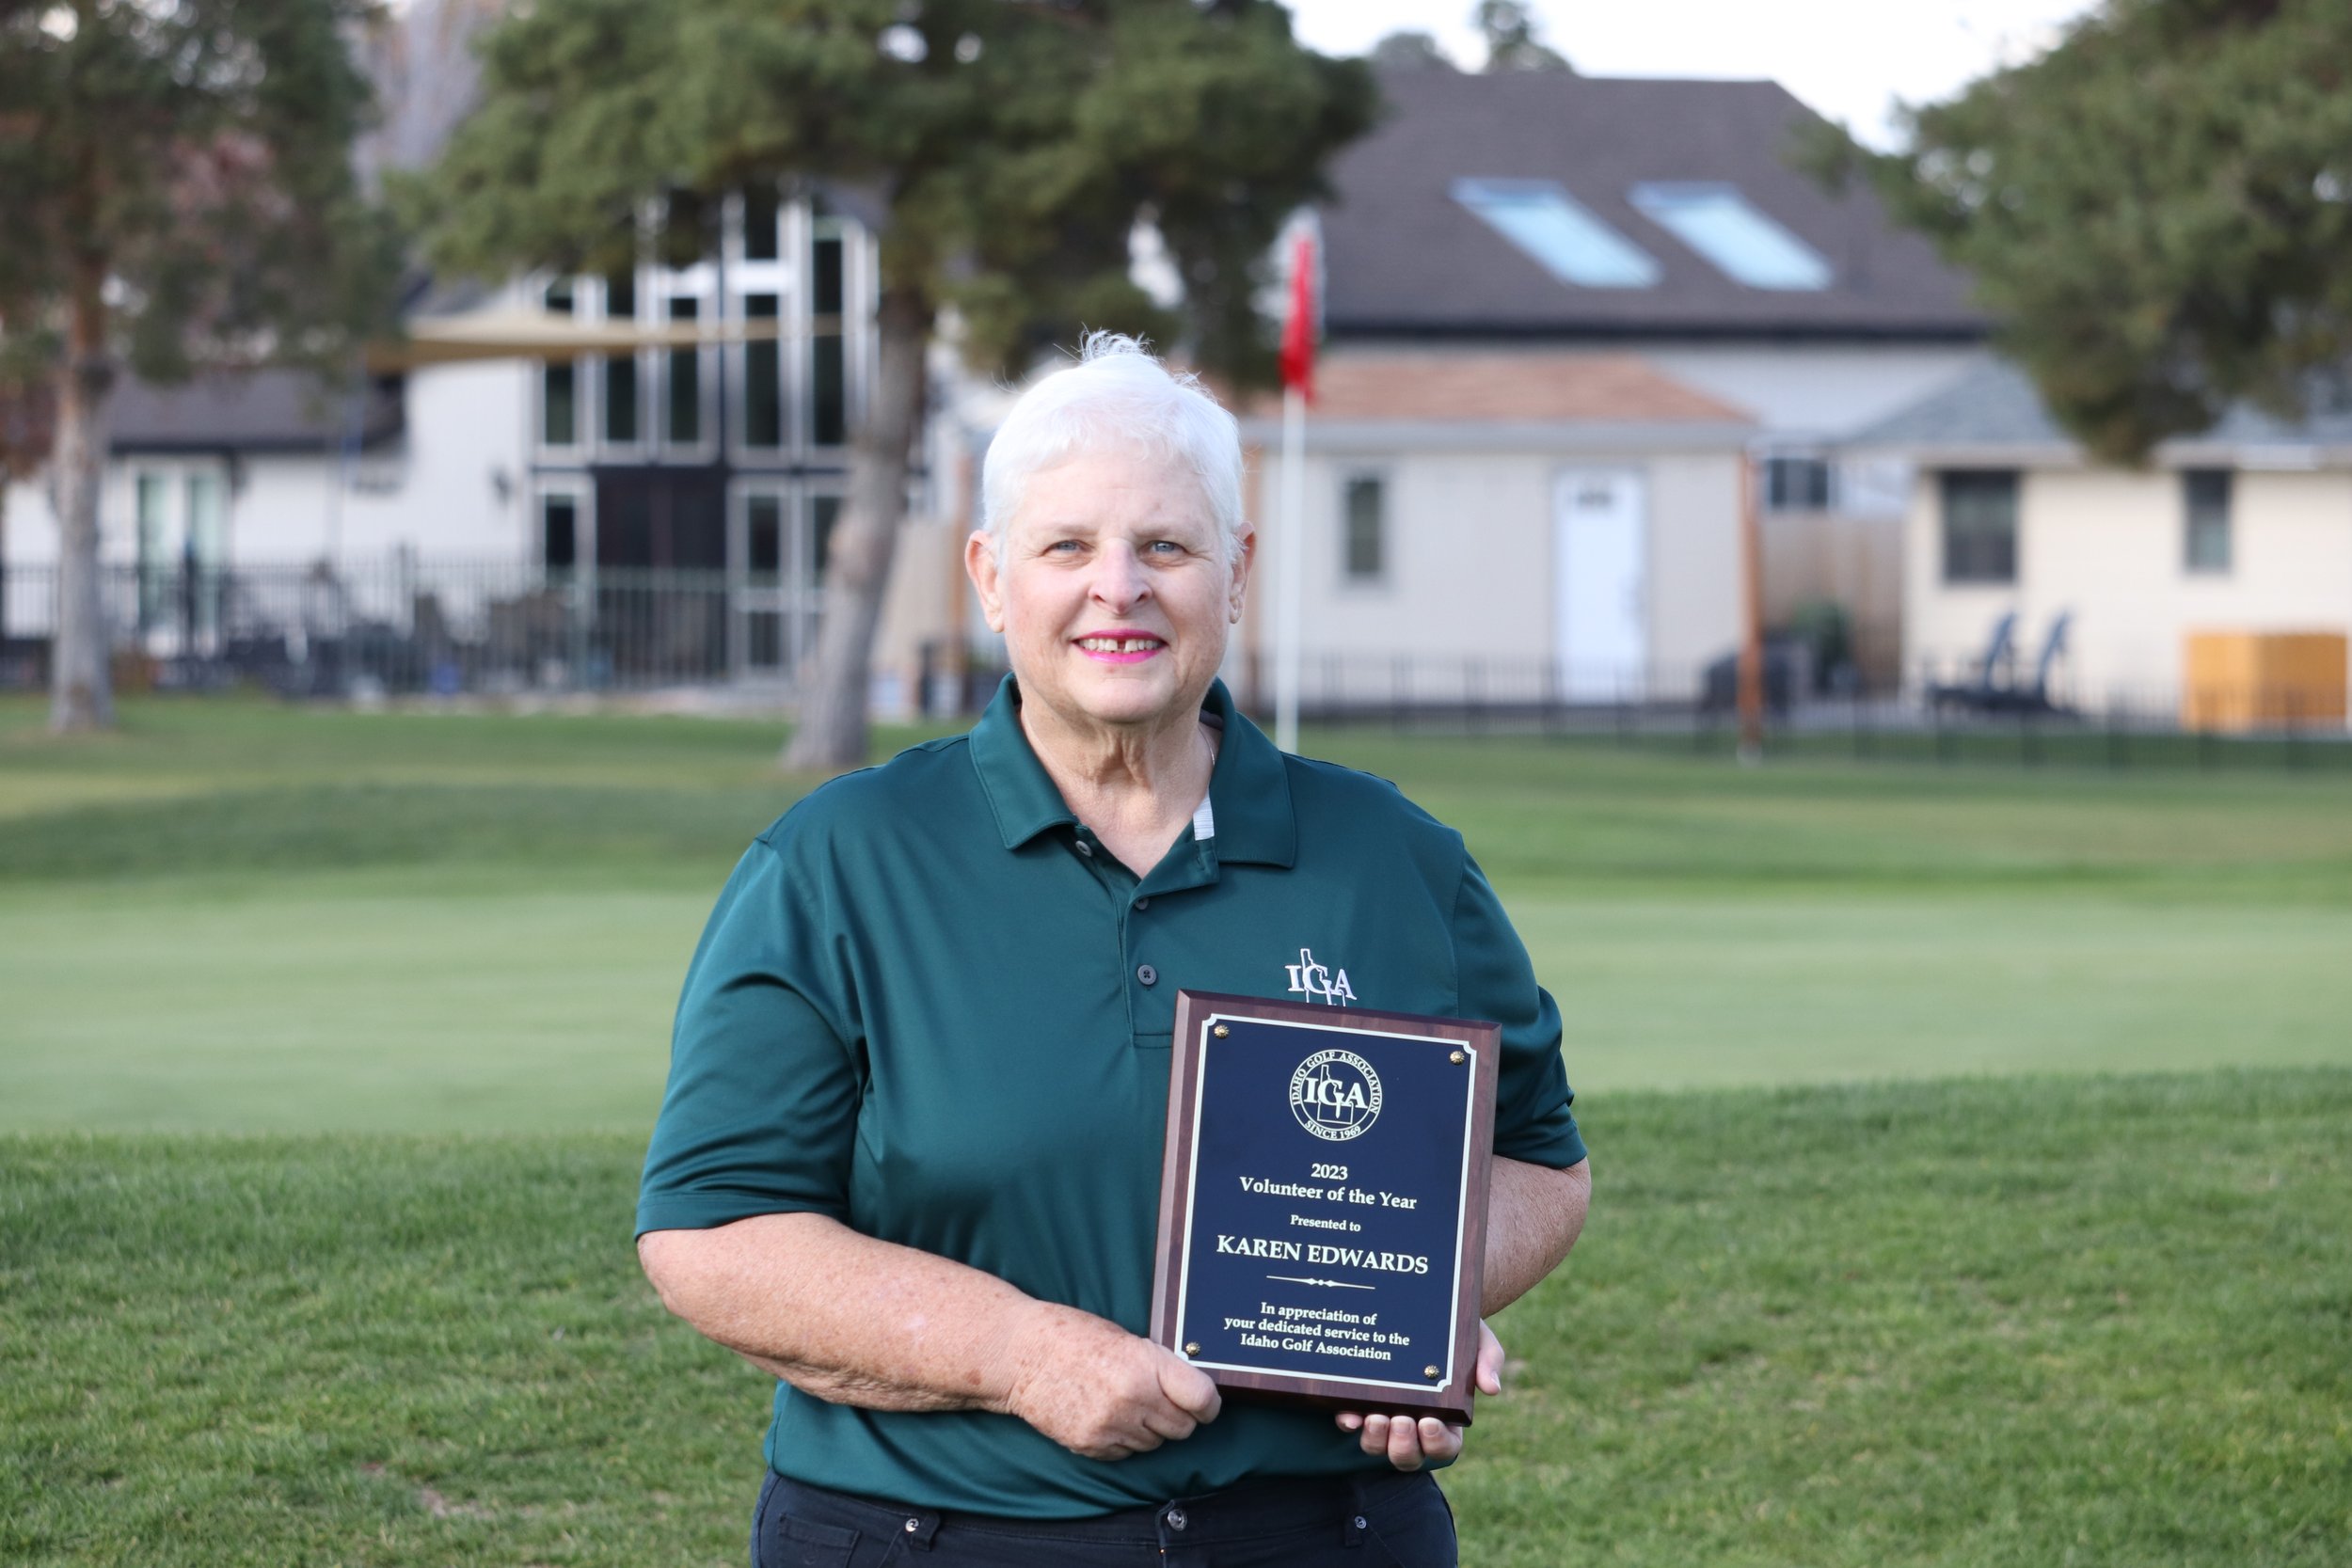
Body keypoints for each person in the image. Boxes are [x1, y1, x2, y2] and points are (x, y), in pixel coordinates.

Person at [636, 334, 1590, 1567]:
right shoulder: (836, 864)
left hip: (1319, 1535)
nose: (1119, 587)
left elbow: (1537, 1163)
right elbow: (714, 1232)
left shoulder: (1395, 860)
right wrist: (1017, 1353)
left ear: (1236, 573)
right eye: (1067, 546)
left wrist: (1418, 1306)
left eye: (1169, 547)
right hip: (933, 1536)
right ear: (990, 576)